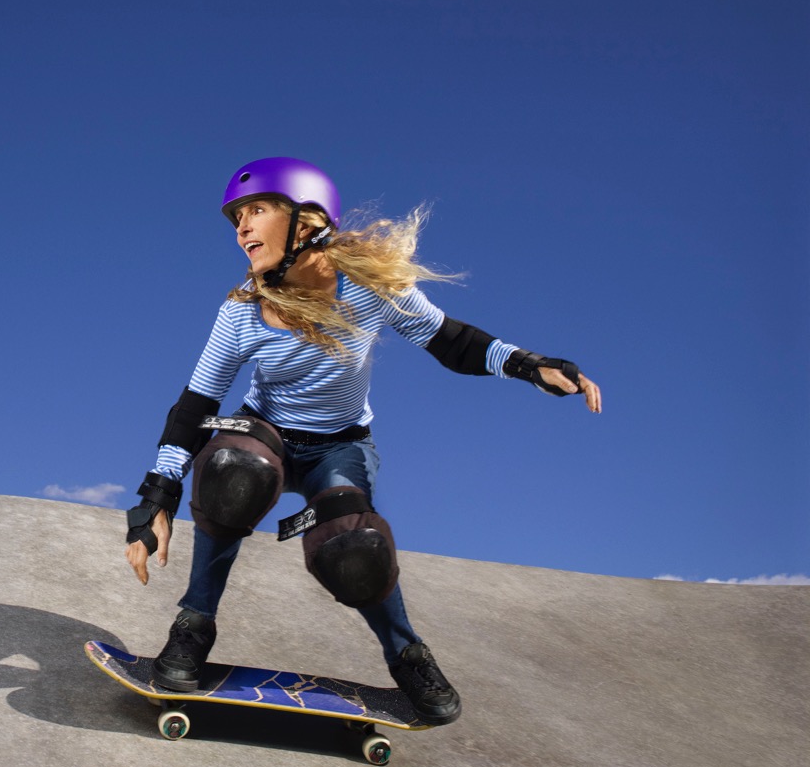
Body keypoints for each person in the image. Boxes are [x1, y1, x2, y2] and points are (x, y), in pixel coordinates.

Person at [124, 157, 601, 726]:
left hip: (340, 448)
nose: (242, 228)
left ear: (307, 222)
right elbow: (195, 406)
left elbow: (453, 342)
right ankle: (192, 626)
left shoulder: (369, 289)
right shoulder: (242, 310)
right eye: (236, 218)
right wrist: (159, 495)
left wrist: (529, 366)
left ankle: (408, 655)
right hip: (264, 434)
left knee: (354, 547)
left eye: (257, 211)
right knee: (233, 471)